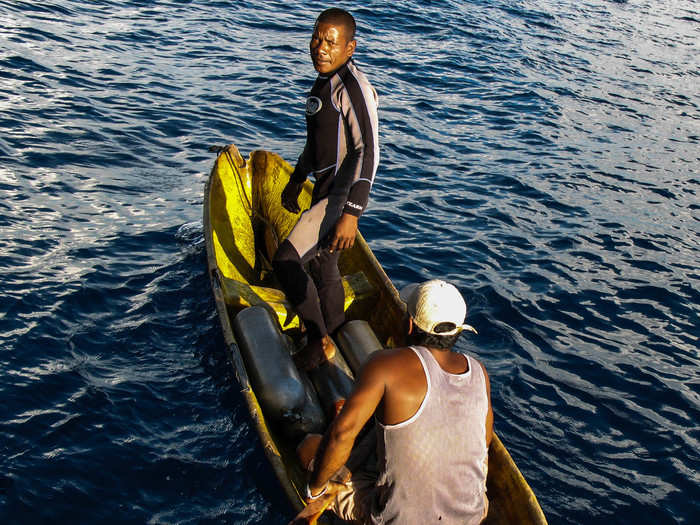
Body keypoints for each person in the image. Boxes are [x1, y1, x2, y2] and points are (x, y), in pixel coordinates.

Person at [292, 279, 493, 524]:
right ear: (458, 331)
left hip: (402, 519)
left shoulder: (385, 364)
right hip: (472, 514)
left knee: (310, 447)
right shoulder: (479, 372)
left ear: (409, 324)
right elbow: (483, 445)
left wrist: (316, 490)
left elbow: (341, 434)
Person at [272, 8, 379, 371]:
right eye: (317, 38)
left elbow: (369, 152)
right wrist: (297, 178)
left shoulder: (352, 86)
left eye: (331, 42)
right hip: (324, 191)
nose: (320, 47)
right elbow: (316, 146)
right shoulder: (325, 84)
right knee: (325, 266)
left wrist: (351, 212)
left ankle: (318, 340)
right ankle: (336, 337)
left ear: (349, 48)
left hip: (339, 198)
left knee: (286, 260)